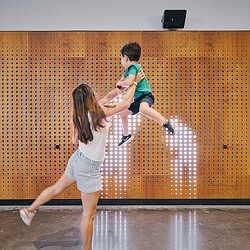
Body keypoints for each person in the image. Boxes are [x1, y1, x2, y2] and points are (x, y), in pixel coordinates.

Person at [19, 70, 144, 250]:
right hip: (89, 167)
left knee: (56, 188)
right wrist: (133, 84)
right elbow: (125, 104)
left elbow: (74, 139)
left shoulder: (78, 113)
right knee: (88, 215)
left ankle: (29, 210)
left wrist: (118, 89)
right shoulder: (99, 112)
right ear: (91, 97)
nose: (97, 95)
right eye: (94, 93)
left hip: (78, 159)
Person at [115, 42, 177, 147]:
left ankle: (166, 123)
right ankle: (126, 136)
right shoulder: (128, 70)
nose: (121, 61)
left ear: (125, 58)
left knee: (143, 109)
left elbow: (129, 82)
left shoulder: (134, 67)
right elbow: (121, 84)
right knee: (122, 114)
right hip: (138, 99)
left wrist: (119, 84)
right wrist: (119, 85)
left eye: (120, 58)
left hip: (146, 96)